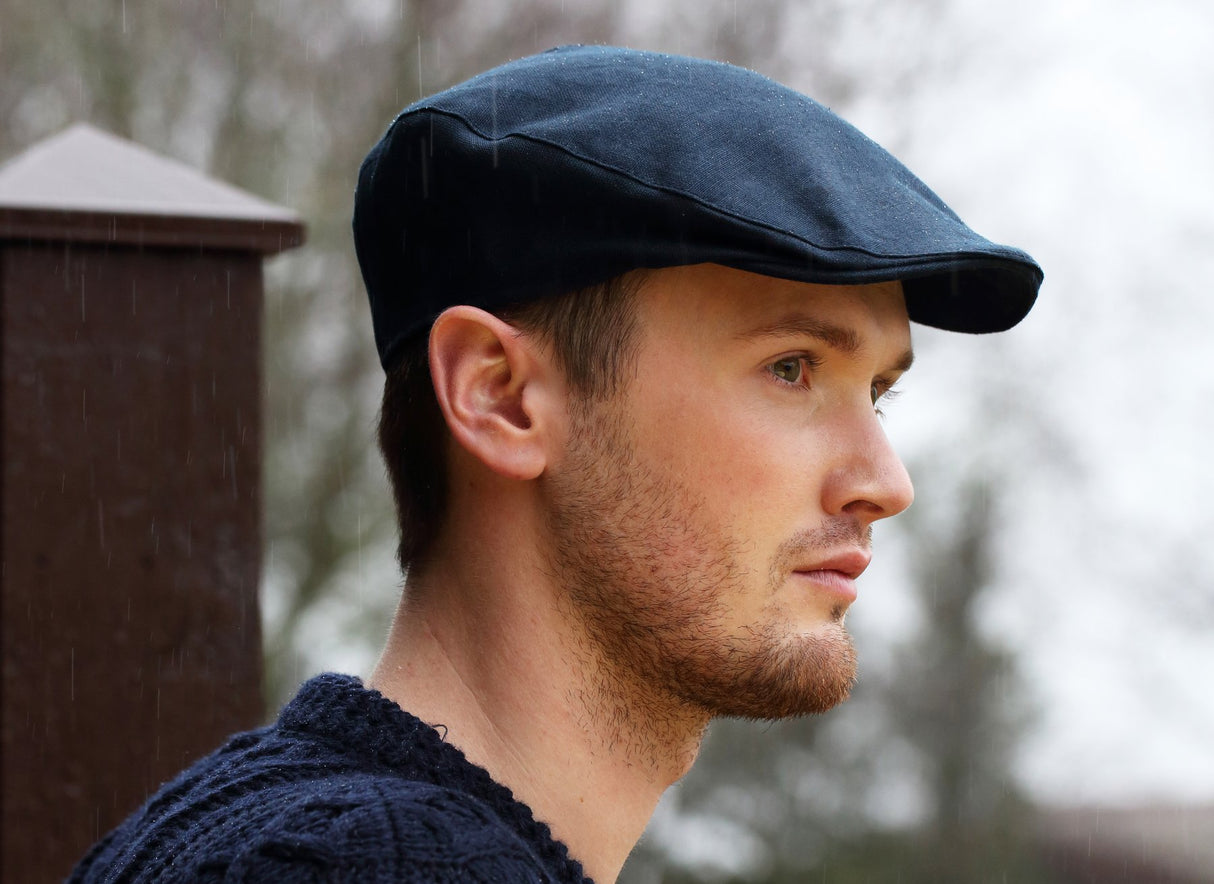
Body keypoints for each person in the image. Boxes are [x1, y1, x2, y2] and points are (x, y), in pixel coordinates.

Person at [70, 45, 1041, 884]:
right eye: (790, 368)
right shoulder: (386, 866)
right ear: (499, 395)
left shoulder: (249, 825)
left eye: (877, 393)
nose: (884, 479)